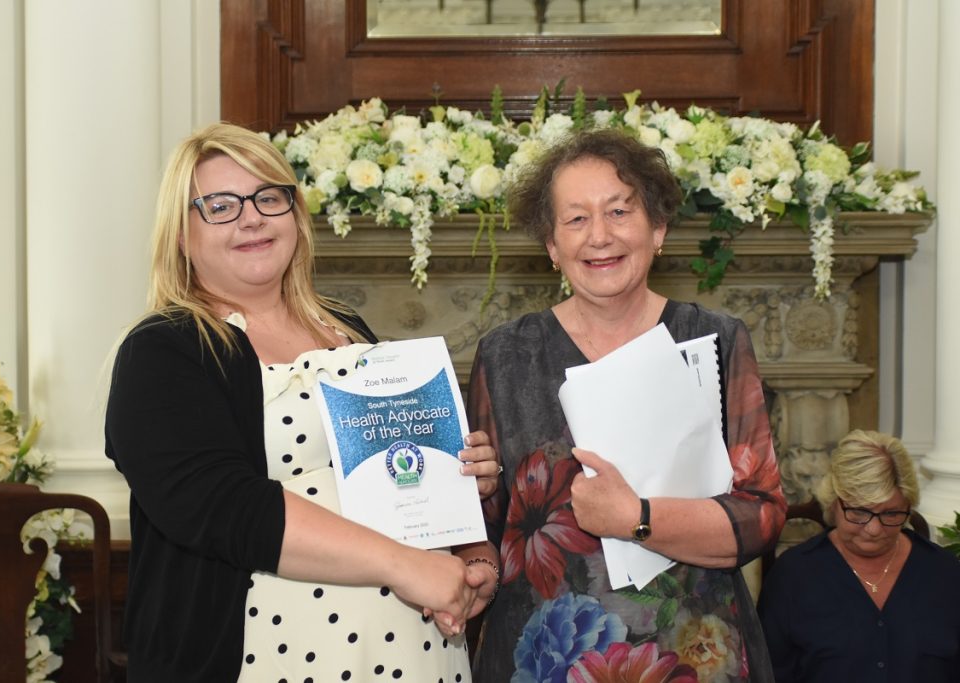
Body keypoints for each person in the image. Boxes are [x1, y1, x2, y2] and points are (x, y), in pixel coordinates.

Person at [105, 122, 501, 682]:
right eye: (219, 205)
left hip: (417, 654)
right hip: (264, 661)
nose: (251, 218)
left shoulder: (349, 330)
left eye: (269, 197)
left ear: (295, 214)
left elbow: (404, 476)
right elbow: (227, 508)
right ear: (180, 233)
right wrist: (407, 567)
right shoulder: (163, 352)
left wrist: (471, 540)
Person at [465, 128, 786, 682]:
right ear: (551, 245)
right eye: (576, 219)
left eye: (619, 211)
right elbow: (487, 529)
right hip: (543, 661)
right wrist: (473, 496)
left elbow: (761, 517)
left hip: (690, 657)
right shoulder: (505, 354)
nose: (600, 236)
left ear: (657, 228)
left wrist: (637, 519)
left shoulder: (715, 340)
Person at [758, 430, 960, 681]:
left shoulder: (946, 575)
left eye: (891, 514)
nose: (874, 530)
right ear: (833, 502)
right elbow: (768, 673)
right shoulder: (793, 578)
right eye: (859, 512)